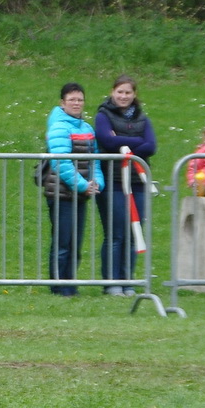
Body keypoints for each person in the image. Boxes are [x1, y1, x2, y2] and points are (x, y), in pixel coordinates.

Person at [93, 74, 157, 296]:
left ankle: (127, 281)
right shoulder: (103, 115)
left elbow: (151, 146)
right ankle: (112, 282)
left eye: (128, 92)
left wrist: (123, 145)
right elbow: (107, 141)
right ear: (112, 92)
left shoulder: (142, 118)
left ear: (134, 94)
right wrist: (137, 142)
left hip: (137, 182)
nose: (123, 96)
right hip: (113, 181)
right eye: (120, 91)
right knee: (116, 233)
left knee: (133, 232)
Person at [43, 83, 101, 296]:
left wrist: (97, 182)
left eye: (80, 100)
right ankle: (59, 286)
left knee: (75, 242)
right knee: (63, 242)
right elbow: (62, 163)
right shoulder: (59, 127)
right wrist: (84, 185)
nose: (76, 103)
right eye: (72, 100)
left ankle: (70, 284)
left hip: (80, 193)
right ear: (62, 103)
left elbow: (96, 160)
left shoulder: (87, 128)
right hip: (61, 193)